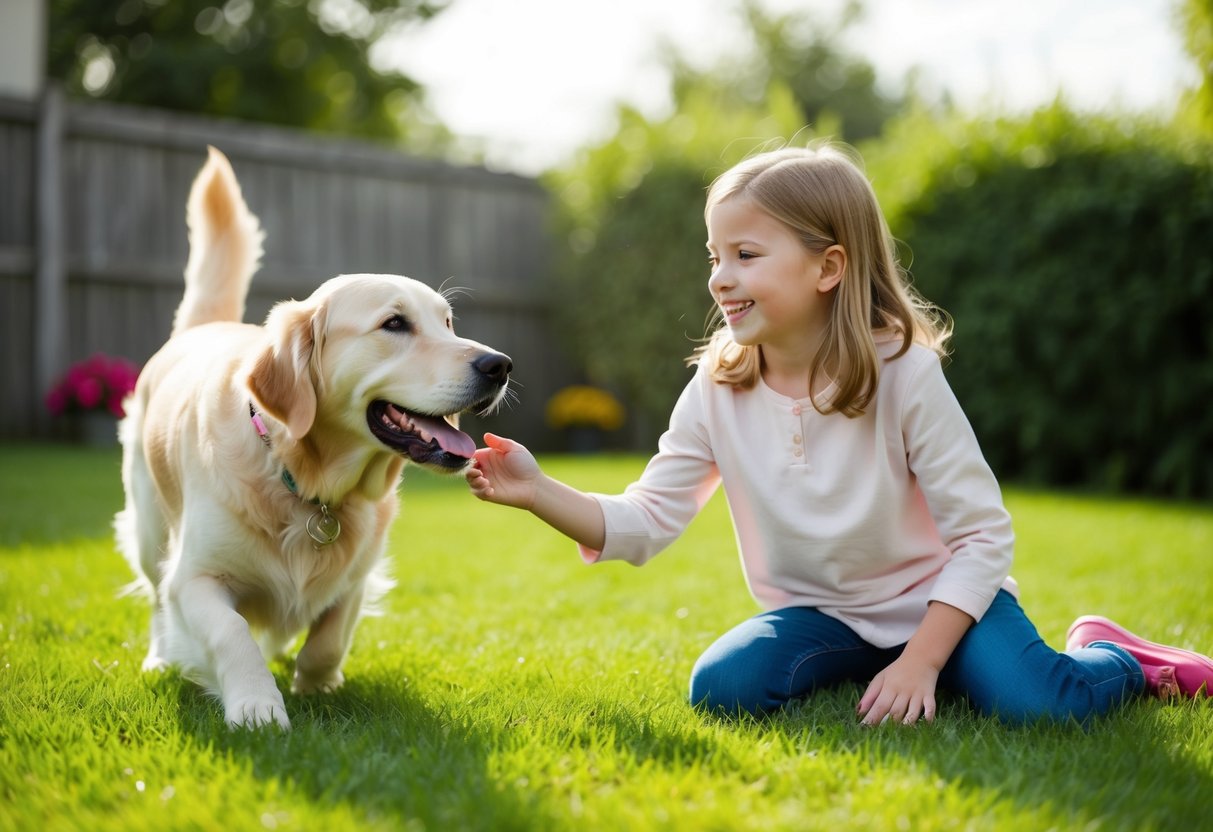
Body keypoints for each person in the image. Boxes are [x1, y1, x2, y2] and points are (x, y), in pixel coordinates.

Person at [466, 143, 1213, 726]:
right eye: (714, 256)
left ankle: (1114, 656)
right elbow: (649, 518)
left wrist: (920, 661)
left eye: (745, 255)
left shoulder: (904, 375)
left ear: (828, 267)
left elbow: (982, 539)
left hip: (944, 602)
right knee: (721, 688)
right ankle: (882, 667)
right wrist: (536, 490)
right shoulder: (717, 385)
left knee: (1039, 706)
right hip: (822, 617)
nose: (719, 278)